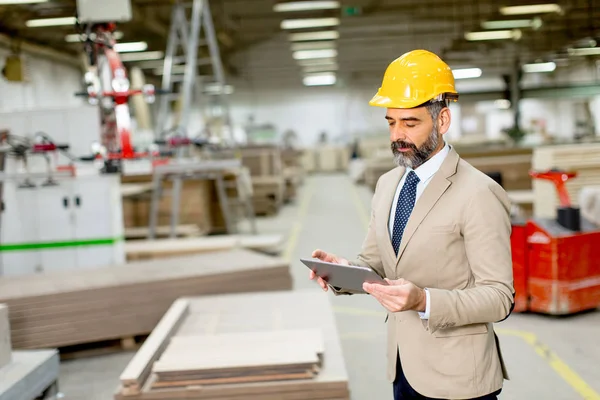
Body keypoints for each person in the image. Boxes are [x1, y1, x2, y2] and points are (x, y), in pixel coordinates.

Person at [309, 49, 515, 400]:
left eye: (410, 123)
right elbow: (375, 265)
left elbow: (500, 298)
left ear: (443, 121)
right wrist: (343, 272)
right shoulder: (389, 184)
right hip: (403, 367)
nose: (397, 135)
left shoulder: (478, 192)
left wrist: (424, 300)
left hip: (459, 379)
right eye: (391, 122)